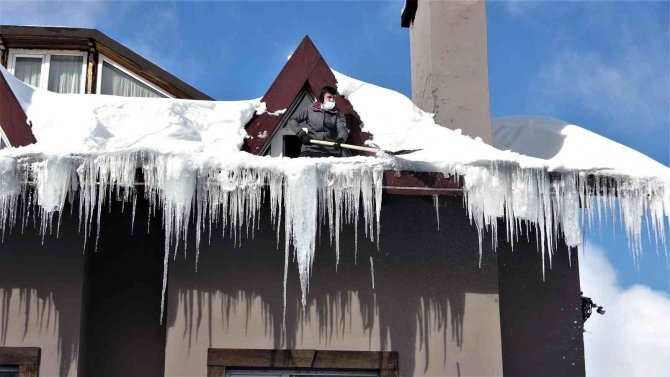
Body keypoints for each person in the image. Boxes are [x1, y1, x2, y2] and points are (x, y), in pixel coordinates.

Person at [287, 85, 349, 157]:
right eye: (329, 97)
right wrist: (301, 134)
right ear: (322, 98)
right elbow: (292, 120)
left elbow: (342, 129)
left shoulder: (338, 113)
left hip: (331, 149)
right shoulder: (310, 109)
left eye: (334, 98)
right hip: (311, 148)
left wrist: (341, 138)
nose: (332, 100)